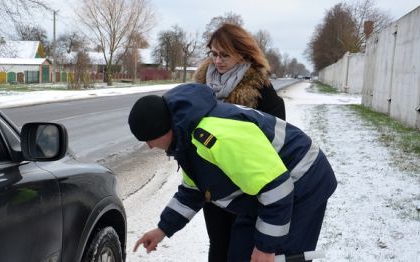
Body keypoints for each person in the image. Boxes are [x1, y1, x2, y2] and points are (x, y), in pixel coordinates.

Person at [129, 83, 337, 262]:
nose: (149, 146)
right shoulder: (186, 140)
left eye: (149, 140)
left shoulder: (214, 137)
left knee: (274, 255)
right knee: (240, 255)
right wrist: (162, 230)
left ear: (165, 130)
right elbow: (193, 191)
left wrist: (266, 247)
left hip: (303, 181)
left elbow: (277, 190)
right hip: (262, 193)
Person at [193, 23, 286, 261]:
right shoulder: (201, 85)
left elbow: (276, 132)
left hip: (247, 187)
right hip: (212, 183)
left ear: (242, 54)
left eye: (225, 55)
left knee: (240, 249)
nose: (218, 61)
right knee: (217, 244)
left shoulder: (259, 86)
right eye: (214, 53)